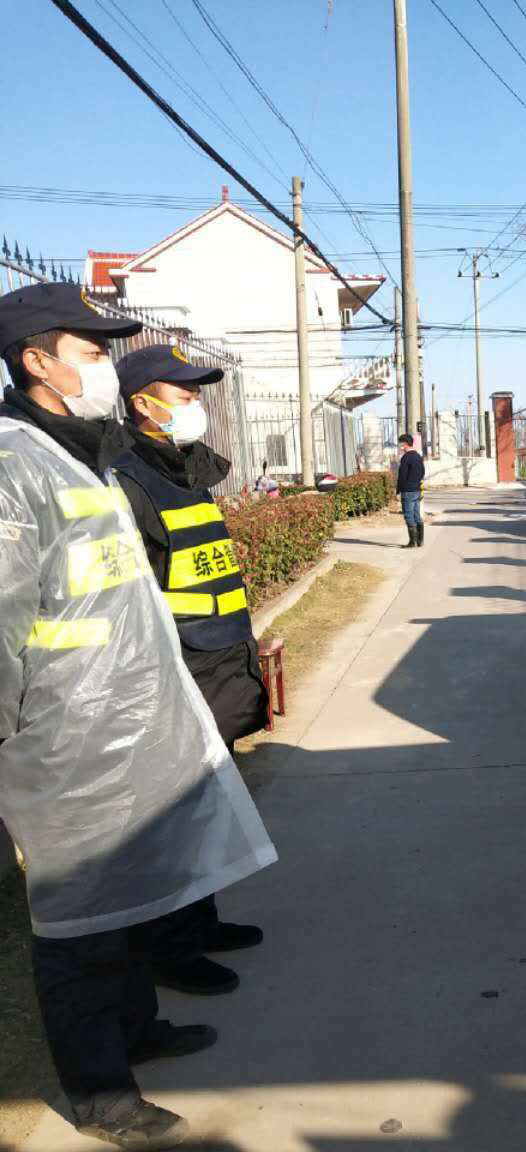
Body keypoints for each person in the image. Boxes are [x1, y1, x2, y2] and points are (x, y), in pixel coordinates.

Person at [0, 283, 277, 1150]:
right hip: (58, 741)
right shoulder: (13, 463)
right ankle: (100, 1094)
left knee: (122, 903)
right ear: (36, 360)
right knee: (77, 926)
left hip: (115, 725)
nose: (104, 369)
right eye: (90, 353)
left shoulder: (78, 455)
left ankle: (138, 1029)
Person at [110, 344, 267, 998]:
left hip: (216, 662)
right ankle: (170, 951)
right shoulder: (126, 479)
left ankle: (201, 922)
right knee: (171, 819)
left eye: (197, 394)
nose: (196, 405)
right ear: (143, 402)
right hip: (173, 672)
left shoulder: (183, 469)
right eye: (183, 395)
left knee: (203, 810)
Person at [397, 432, 425, 548]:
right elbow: (422, 472)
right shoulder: (418, 456)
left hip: (407, 491)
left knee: (408, 515)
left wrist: (398, 491)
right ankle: (420, 541)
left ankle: (412, 542)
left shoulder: (405, 458)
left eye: (400, 443)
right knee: (417, 515)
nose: (399, 446)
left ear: (404, 444)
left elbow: (402, 476)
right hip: (417, 490)